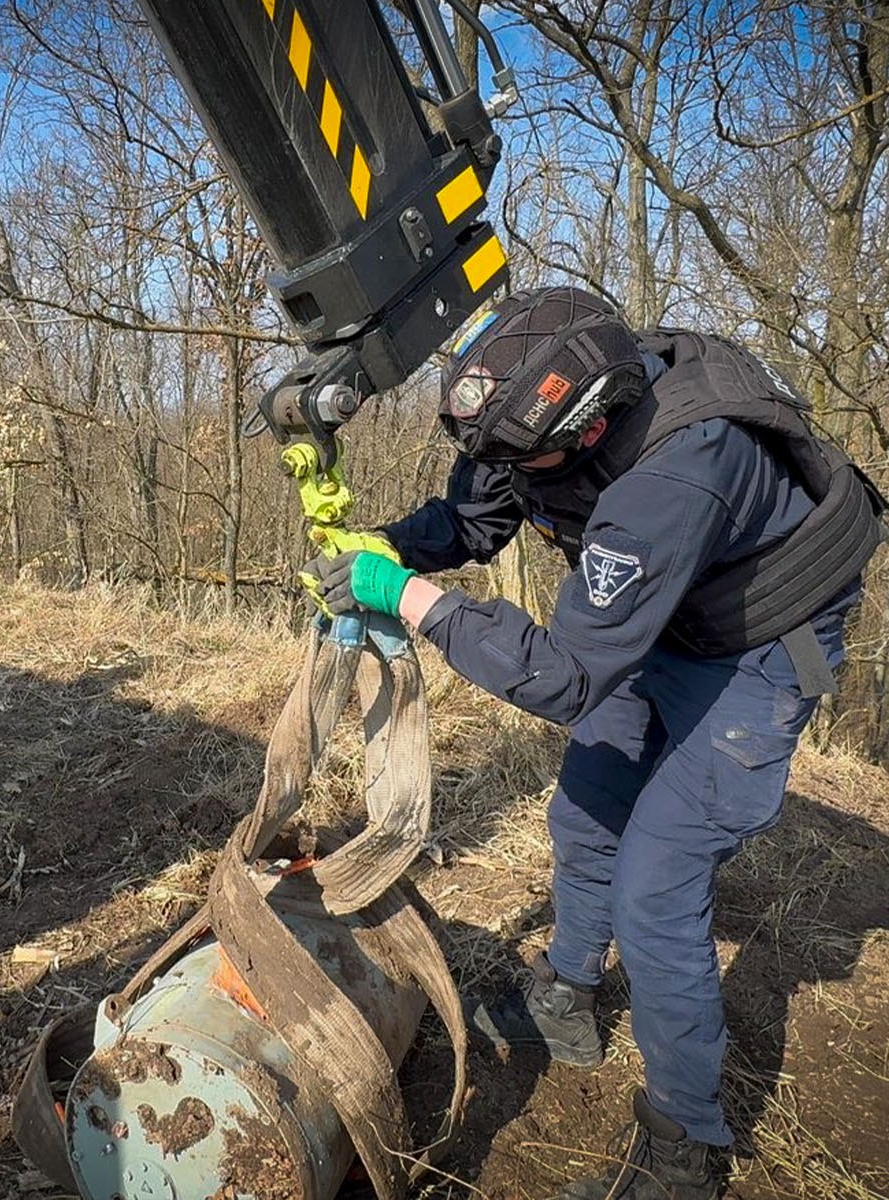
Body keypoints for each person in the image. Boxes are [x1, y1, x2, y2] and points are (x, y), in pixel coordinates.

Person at [303, 286, 883, 1199]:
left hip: (764, 636)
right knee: (586, 808)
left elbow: (565, 678)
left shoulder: (673, 475)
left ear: (587, 430)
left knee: (656, 889)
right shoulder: (528, 406)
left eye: (518, 459)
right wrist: (390, 548)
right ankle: (567, 993)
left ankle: (684, 1153)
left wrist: (410, 600)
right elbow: (475, 518)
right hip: (662, 608)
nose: (499, 468)